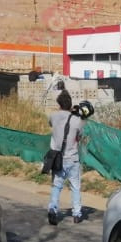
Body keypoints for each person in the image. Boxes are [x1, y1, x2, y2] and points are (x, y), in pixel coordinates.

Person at [47, 90, 86, 225]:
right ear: (70, 105)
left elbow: (51, 124)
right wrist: (76, 114)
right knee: (75, 186)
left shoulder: (53, 116)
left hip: (58, 158)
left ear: (59, 104)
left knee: (57, 186)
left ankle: (53, 209)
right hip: (73, 158)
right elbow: (79, 136)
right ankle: (76, 214)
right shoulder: (77, 120)